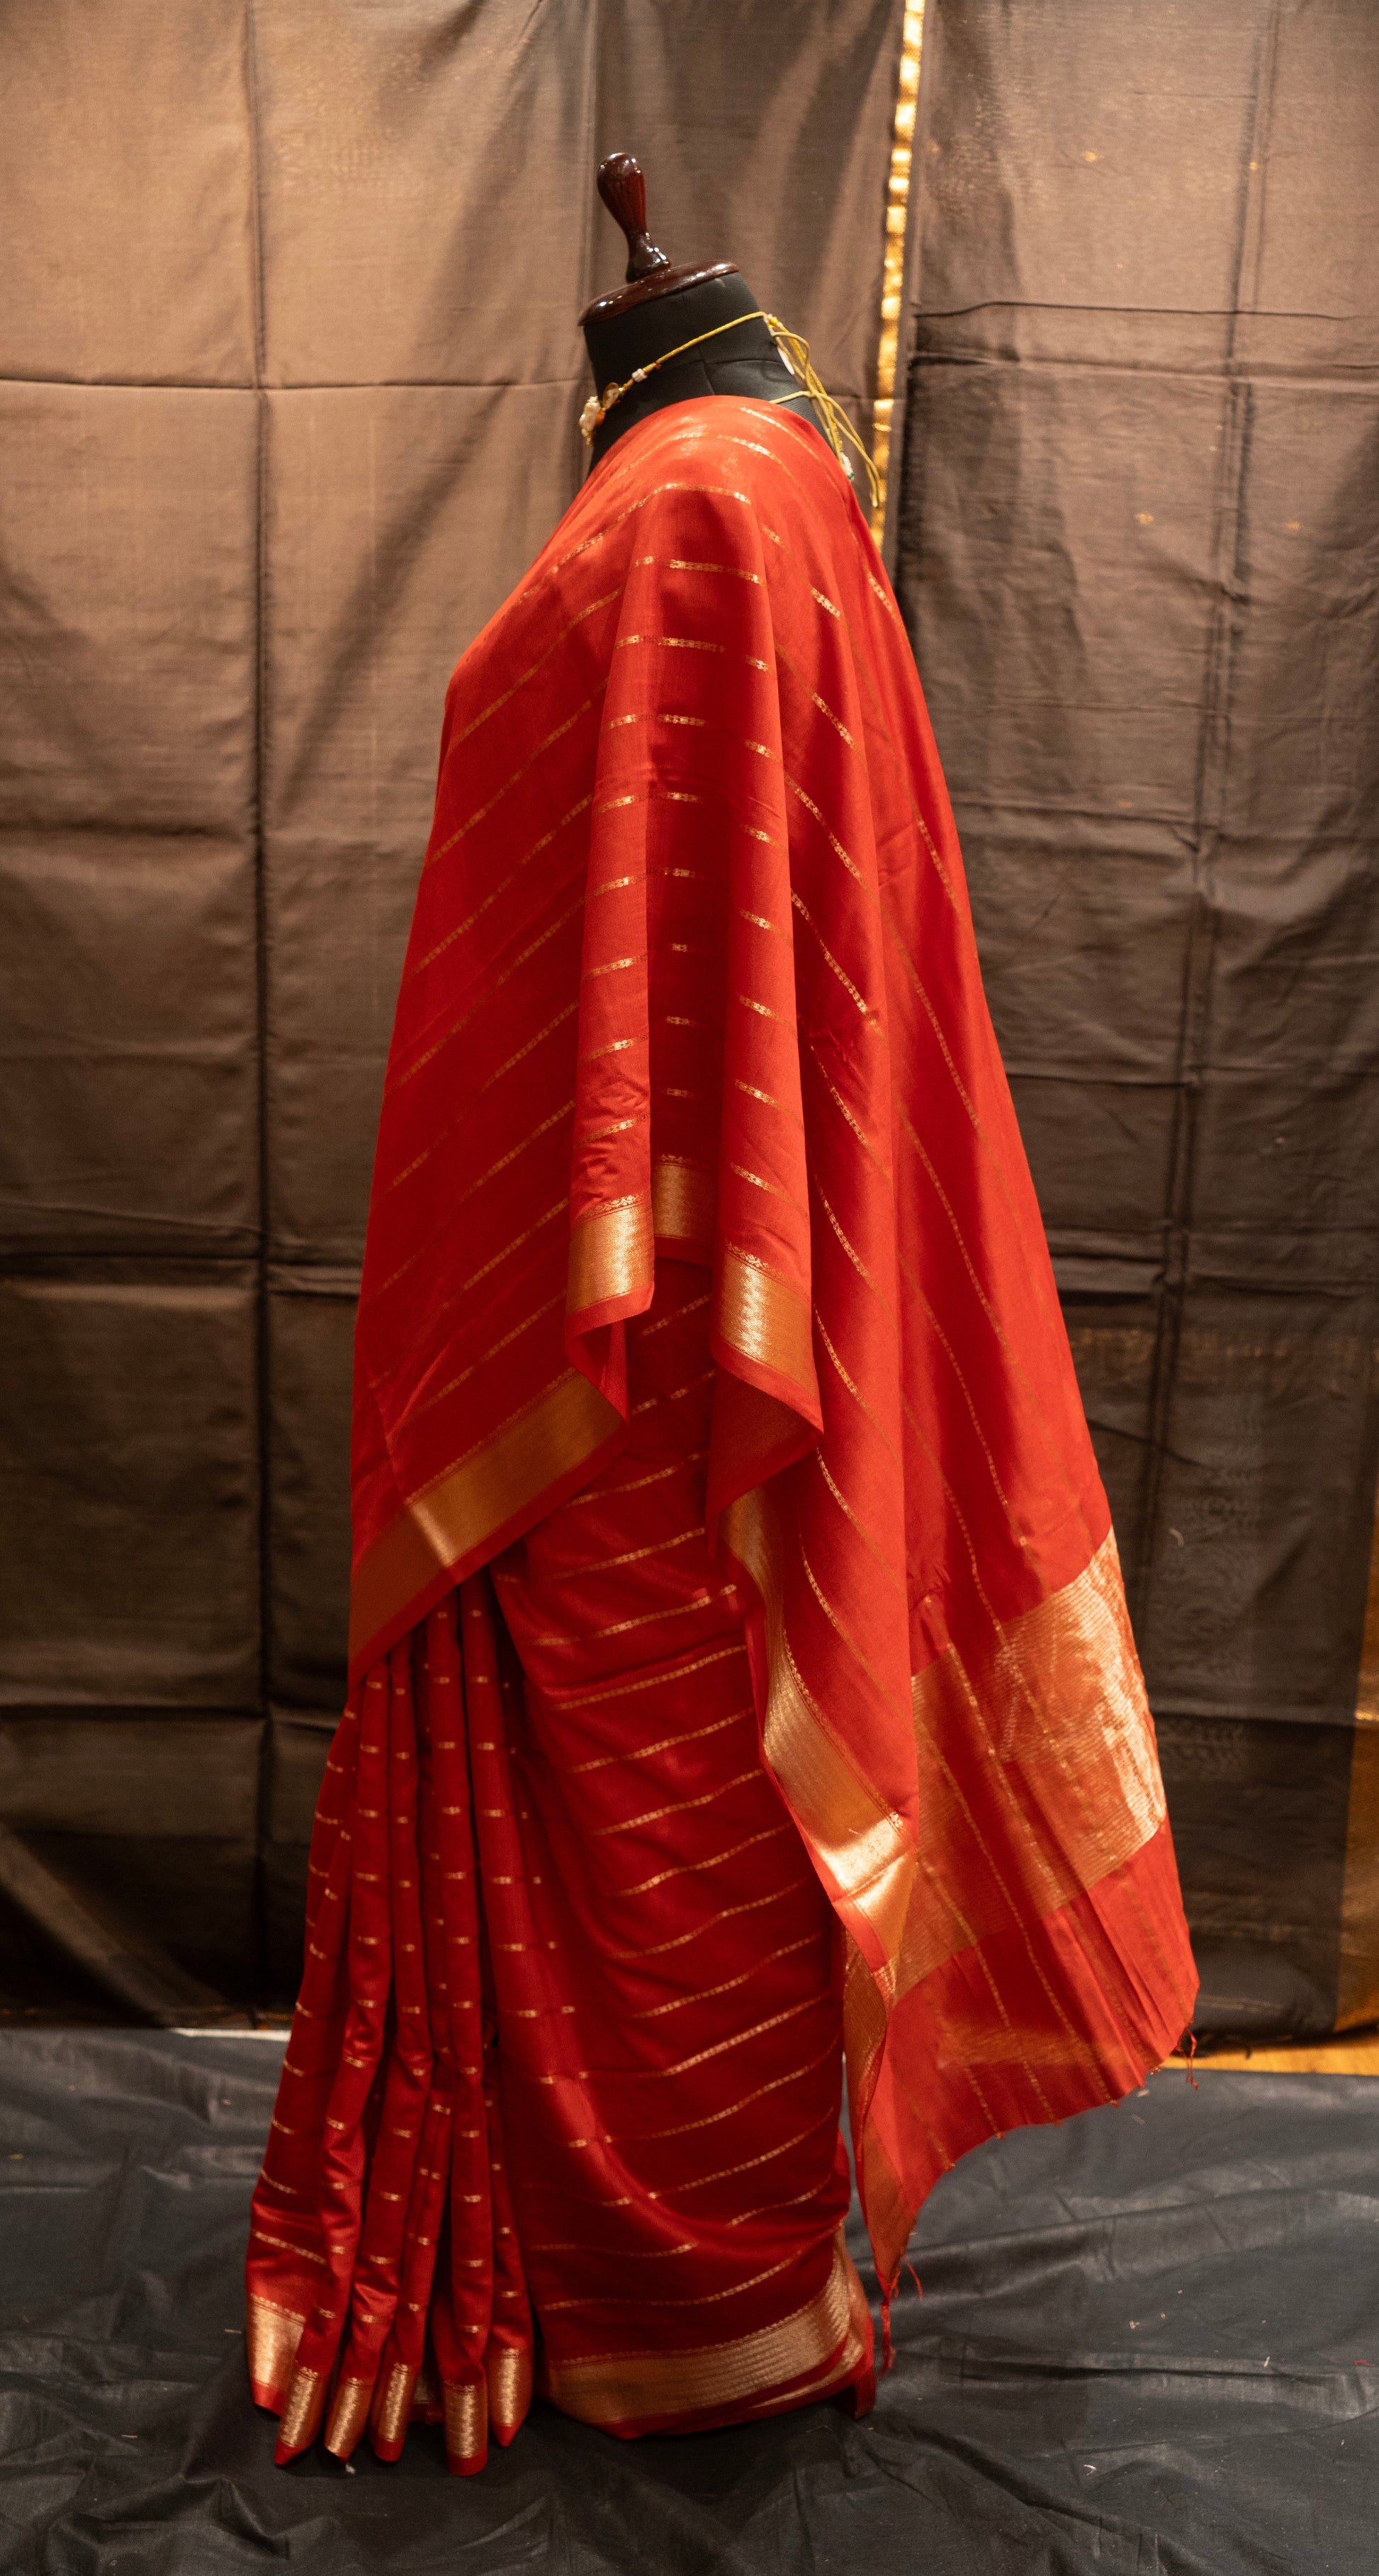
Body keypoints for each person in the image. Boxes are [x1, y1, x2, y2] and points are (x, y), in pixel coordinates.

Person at [246, 157, 1196, 2475]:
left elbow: (683, 1003)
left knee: (669, 1821)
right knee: (691, 1823)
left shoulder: (689, 515)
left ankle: (687, 2286)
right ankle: (715, 2294)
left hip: (644, 1361)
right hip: (677, 1319)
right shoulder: (772, 496)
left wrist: (608, 1283)